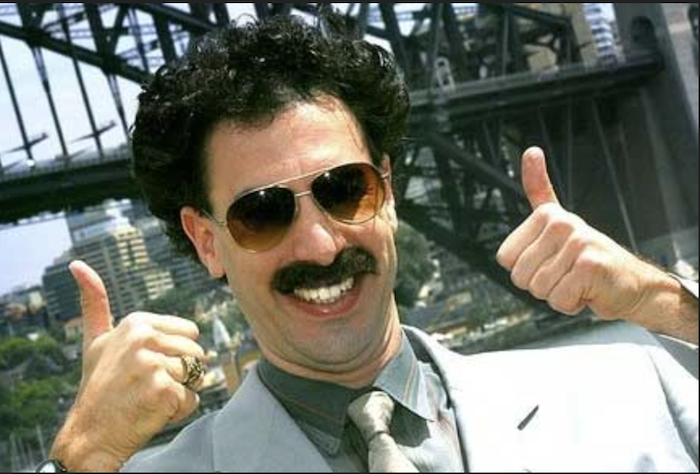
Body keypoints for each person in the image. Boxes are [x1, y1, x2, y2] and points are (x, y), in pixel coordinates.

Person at [42, 16, 698, 473]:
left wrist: (663, 301)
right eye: (263, 212)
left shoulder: (625, 385)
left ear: (386, 188)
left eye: (344, 188)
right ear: (207, 241)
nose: (320, 244)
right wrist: (82, 456)